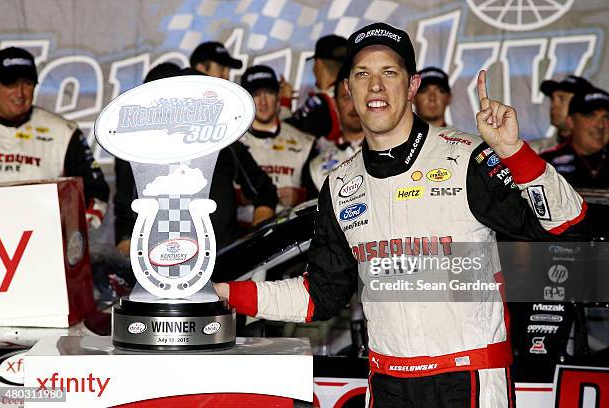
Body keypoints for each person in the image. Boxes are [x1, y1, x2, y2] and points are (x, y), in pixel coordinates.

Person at [215, 22, 590, 406]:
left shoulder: (465, 158)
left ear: (411, 86)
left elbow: (568, 225)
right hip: (388, 383)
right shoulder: (340, 184)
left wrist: (515, 153)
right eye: (362, 74)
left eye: (389, 73)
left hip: (468, 381)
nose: (375, 86)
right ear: (348, 89)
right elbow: (319, 296)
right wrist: (221, 293)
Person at [113, 64, 277, 254]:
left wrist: (251, 245)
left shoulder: (221, 142)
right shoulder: (134, 152)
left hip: (224, 265)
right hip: (163, 266)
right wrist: (138, 263)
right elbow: (126, 216)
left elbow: (264, 191)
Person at [0, 47, 109, 228]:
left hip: (45, 243)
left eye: (27, 83)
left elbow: (96, 191)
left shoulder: (63, 132)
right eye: (10, 83)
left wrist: (77, 232)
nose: (19, 93)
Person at [239, 65, 316, 211]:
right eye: (256, 94)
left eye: (268, 93)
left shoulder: (305, 142)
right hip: (243, 232)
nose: (263, 102)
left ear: (278, 95)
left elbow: (322, 195)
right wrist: (237, 197)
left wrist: (301, 197)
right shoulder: (230, 144)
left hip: (290, 231)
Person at [541, 87, 609, 238]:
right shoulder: (546, 163)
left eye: (606, 117)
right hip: (564, 249)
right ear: (571, 121)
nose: (600, 125)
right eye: (591, 116)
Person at [305, 65, 364, 196]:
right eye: (346, 98)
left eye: (358, 96)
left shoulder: (390, 149)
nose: (353, 105)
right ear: (335, 103)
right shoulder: (317, 165)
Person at [283, 35, 347, 141]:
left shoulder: (320, 103)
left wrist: (284, 102)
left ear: (318, 64)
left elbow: (284, 135)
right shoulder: (357, 97)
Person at [531, 75, 594, 153]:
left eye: (561, 99)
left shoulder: (601, 151)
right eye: (552, 99)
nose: (553, 105)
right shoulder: (537, 152)